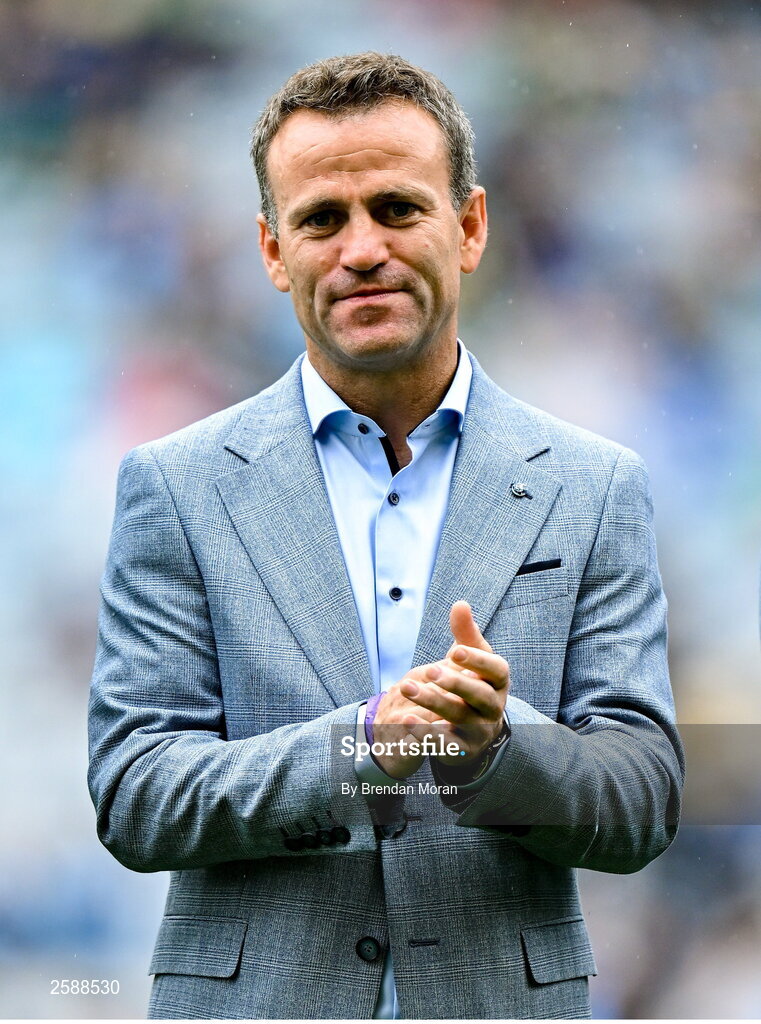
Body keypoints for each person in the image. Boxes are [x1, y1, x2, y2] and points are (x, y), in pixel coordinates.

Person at [87, 52, 684, 1020]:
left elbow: (644, 794)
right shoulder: (177, 484)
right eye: (321, 219)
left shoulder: (594, 484)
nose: (360, 247)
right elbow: (135, 793)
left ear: (470, 225)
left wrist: (493, 747)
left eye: (397, 209)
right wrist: (363, 746)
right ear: (273, 251)